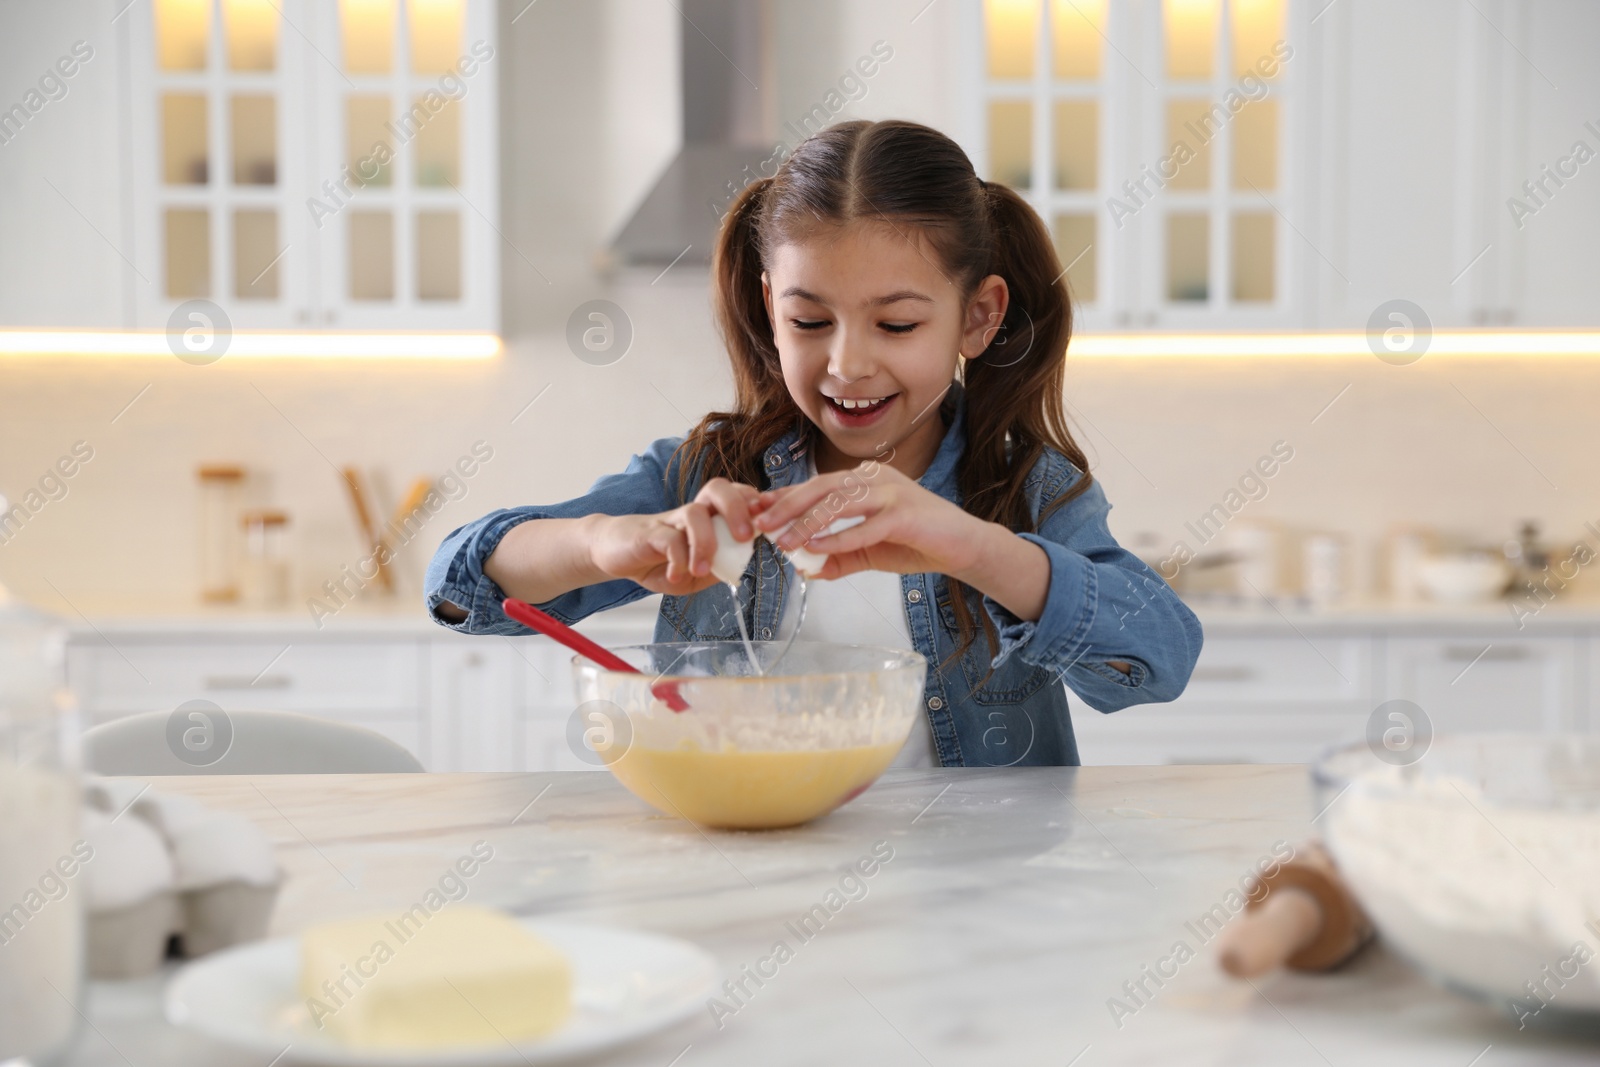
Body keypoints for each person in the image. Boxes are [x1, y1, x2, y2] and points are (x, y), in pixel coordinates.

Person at [426, 119, 1201, 768]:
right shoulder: (708, 472)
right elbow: (457, 582)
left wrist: (967, 544)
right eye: (809, 321)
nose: (847, 364)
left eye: (896, 324)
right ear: (770, 307)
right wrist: (606, 541)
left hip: (978, 905)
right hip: (752, 890)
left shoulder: (1025, 486)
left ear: (977, 316)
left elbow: (1159, 660)